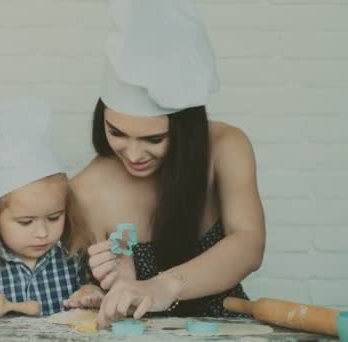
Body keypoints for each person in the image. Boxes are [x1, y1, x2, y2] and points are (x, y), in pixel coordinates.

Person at [70, 0, 265, 327]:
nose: (132, 155)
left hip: (226, 327)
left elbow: (249, 243)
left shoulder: (227, 147)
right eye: (116, 132)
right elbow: (87, 301)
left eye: (154, 140)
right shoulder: (86, 189)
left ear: (186, 131)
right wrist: (109, 285)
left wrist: (164, 285)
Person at [0, 97, 102, 316]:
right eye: (25, 222)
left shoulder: (75, 257)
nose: (42, 233)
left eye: (54, 217)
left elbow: (97, 304)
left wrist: (91, 292)